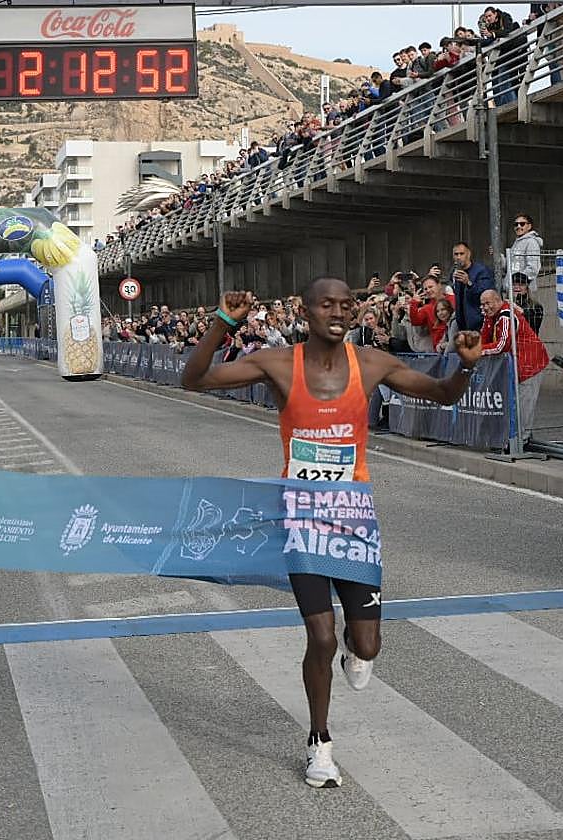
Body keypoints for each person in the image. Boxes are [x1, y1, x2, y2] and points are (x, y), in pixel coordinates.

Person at [182, 277, 483, 789]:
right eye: (328, 304)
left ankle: (356, 646)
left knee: (367, 646)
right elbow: (195, 380)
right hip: (300, 515)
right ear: (306, 310)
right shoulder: (279, 364)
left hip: (354, 514)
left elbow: (440, 393)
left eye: (347, 304)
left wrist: (467, 366)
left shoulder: (372, 364)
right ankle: (320, 742)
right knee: (319, 637)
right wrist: (223, 323)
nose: (339, 312)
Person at [479, 289, 549, 444]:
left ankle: (521, 441)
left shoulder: (505, 315)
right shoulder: (493, 316)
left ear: (498, 301)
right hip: (517, 366)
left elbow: (502, 345)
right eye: (482, 304)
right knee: (515, 404)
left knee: (524, 404)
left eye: (488, 303)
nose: (485, 307)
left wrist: (477, 352)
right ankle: (516, 438)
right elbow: (484, 338)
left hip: (530, 364)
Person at [450, 242, 495, 332]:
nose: (458, 257)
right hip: (463, 323)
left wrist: (469, 283)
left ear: (468, 254)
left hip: (479, 323)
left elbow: (486, 295)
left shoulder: (482, 270)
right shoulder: (455, 272)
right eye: (456, 254)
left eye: (461, 254)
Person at [510, 214, 543, 290]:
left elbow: (533, 268)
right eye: (516, 224)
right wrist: (497, 256)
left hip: (523, 290)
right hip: (514, 289)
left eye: (522, 224)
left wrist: (519, 283)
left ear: (529, 226)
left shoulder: (531, 242)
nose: (518, 226)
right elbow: (510, 266)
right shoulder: (516, 243)